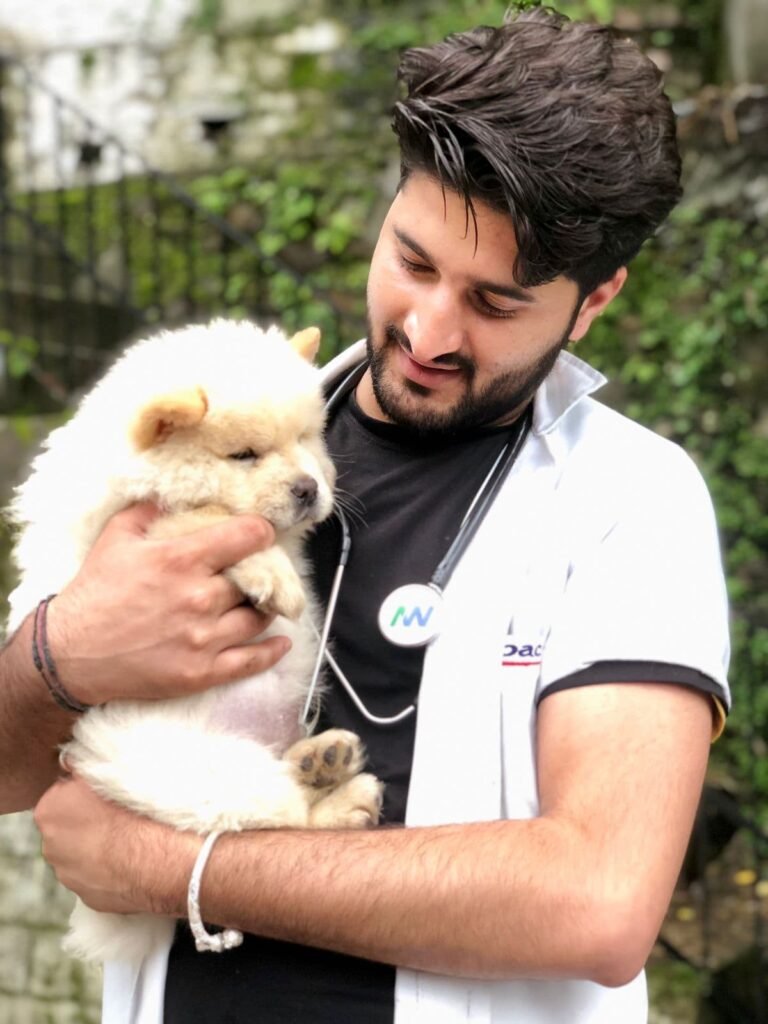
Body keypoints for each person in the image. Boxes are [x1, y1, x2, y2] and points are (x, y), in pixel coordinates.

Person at [0, 7, 730, 1024]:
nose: (430, 329)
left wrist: (181, 867)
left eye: (496, 302)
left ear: (593, 299)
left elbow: (597, 903)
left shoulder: (632, 501)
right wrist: (61, 654)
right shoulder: (214, 435)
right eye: (415, 262)